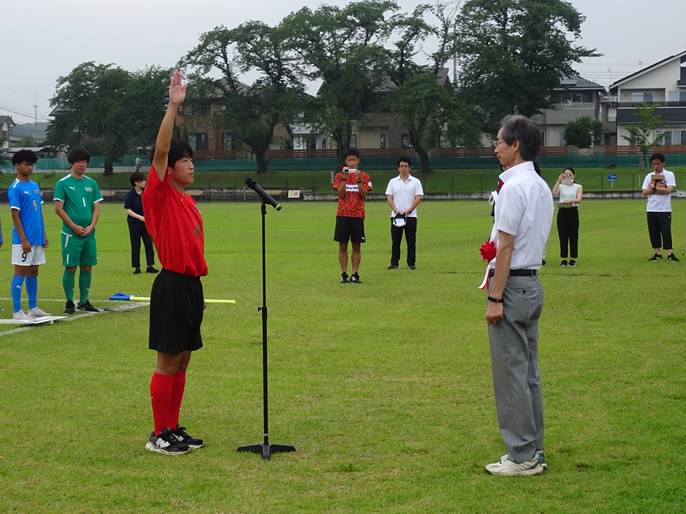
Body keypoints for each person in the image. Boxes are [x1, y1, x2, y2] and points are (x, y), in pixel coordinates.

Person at [142, 69, 207, 455]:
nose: (190, 166)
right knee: (167, 361)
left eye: (192, 161)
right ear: (170, 170)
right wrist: (173, 105)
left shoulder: (188, 201)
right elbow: (162, 150)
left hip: (191, 285)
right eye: (185, 161)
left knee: (183, 359)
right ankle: (158, 434)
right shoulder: (160, 194)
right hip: (170, 284)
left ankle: (173, 427)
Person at [484, 115, 554, 476]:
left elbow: (506, 246)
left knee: (511, 374)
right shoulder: (540, 184)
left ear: (516, 145)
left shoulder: (513, 187)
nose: (495, 147)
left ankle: (523, 454)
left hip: (513, 286)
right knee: (528, 373)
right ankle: (534, 446)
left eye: (499, 141)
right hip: (532, 284)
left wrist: (495, 297)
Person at [54, 148, 103, 314]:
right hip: (71, 234)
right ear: (72, 163)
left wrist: (92, 226)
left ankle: (84, 301)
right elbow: (58, 209)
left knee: (87, 266)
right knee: (70, 267)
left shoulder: (92, 183)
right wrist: (74, 226)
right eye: (79, 161)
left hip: (89, 234)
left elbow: (96, 207)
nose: (83, 165)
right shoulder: (63, 183)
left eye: (85, 162)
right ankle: (69, 301)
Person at [8, 150, 50, 319]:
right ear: (17, 165)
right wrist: (24, 239)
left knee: (33, 272)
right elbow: (15, 215)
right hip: (22, 240)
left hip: (37, 237)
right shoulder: (15, 188)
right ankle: (17, 311)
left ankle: (33, 308)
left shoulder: (34, 185)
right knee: (20, 272)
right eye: (26, 164)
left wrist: (44, 234)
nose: (29, 167)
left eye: (31, 164)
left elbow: (38, 212)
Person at [332, 149, 372, 283]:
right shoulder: (339, 176)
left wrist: (359, 181)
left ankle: (355, 273)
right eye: (349, 160)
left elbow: (364, 194)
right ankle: (344, 273)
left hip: (358, 215)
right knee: (342, 246)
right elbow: (341, 194)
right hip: (343, 214)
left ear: (358, 161)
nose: (351, 163)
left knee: (357, 246)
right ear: (345, 162)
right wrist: (344, 179)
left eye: (354, 160)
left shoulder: (365, 176)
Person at [385, 158, 423, 270]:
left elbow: (419, 197)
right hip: (396, 216)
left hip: (410, 217)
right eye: (401, 166)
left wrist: (409, 210)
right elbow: (389, 196)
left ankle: (411, 263)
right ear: (398, 168)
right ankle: (394, 263)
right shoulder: (392, 181)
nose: (403, 168)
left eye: (406, 166)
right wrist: (396, 210)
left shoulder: (416, 182)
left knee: (411, 240)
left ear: (410, 167)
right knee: (395, 241)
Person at [642, 153, 678, 262]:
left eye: (658, 164)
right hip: (651, 208)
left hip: (664, 209)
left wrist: (655, 189)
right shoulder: (649, 176)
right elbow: (644, 192)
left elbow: (669, 190)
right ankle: (657, 253)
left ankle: (670, 253)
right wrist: (654, 189)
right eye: (653, 164)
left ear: (663, 163)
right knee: (654, 231)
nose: (656, 166)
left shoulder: (669, 174)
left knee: (666, 231)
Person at [124, 171, 158, 274]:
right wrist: (141, 218)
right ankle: (137, 267)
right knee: (135, 244)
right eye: (142, 180)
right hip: (134, 224)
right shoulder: (130, 195)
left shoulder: (147, 193)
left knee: (148, 244)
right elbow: (128, 210)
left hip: (147, 224)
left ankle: (150, 265)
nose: (144, 182)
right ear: (136, 183)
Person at [552, 167, 583, 267]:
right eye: (566, 174)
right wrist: (558, 180)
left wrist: (571, 201)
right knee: (563, 236)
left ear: (573, 175)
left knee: (573, 235)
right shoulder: (561, 186)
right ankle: (564, 258)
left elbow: (579, 199)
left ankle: (573, 258)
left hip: (572, 211)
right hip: (562, 211)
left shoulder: (578, 186)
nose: (567, 175)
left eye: (569, 174)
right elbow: (554, 193)